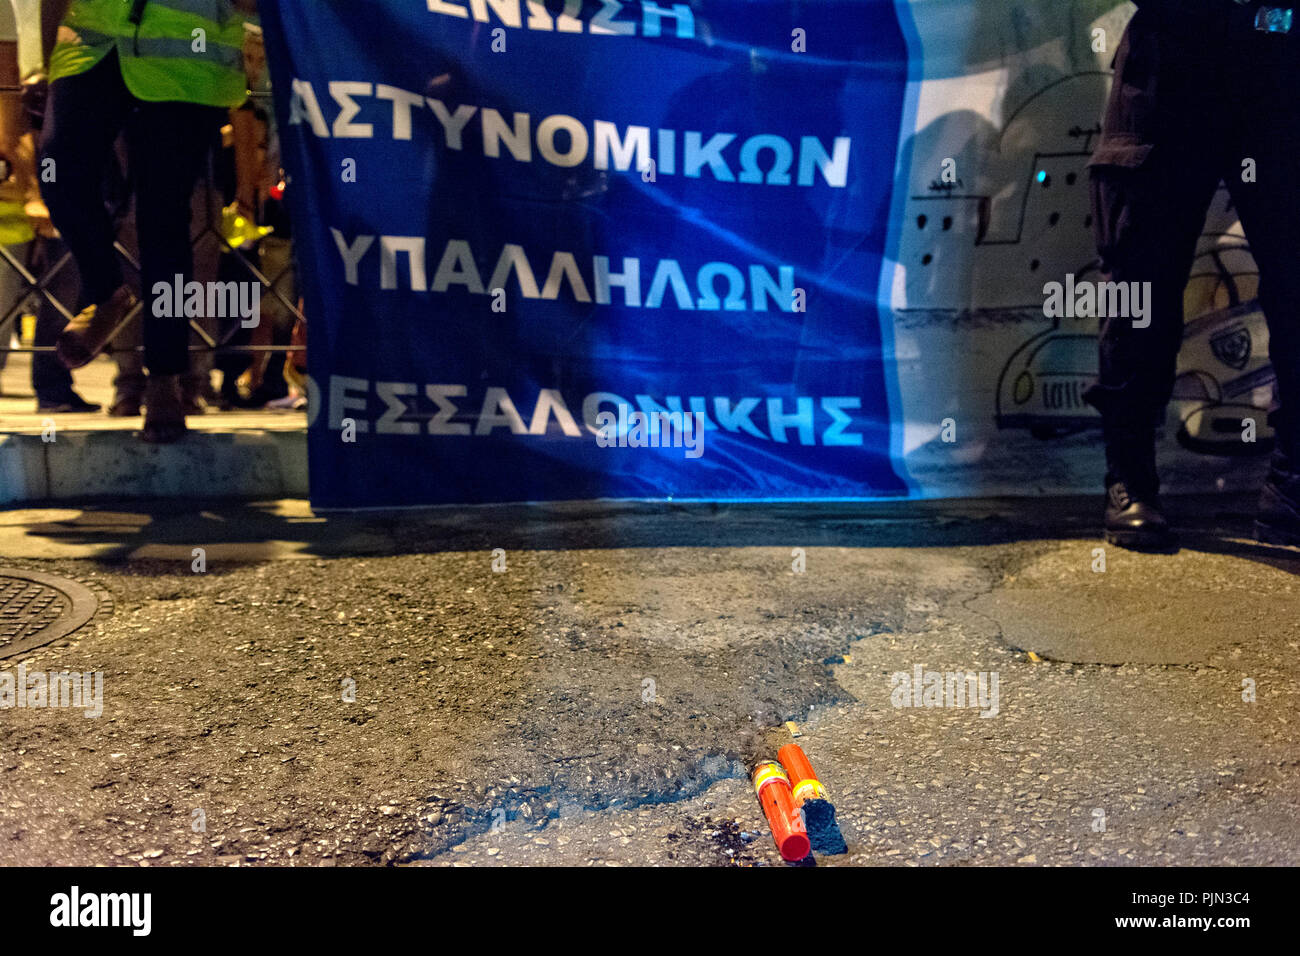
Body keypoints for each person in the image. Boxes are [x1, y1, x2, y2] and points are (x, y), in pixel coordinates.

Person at [1086, 0, 1300, 549]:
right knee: (1139, 282)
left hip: (1280, 53)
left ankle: (1291, 491)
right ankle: (1130, 482)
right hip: (1170, 57)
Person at [36, 0, 256, 441]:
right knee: (58, 170)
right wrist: (49, 65)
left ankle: (165, 379)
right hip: (93, 46)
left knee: (165, 216)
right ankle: (107, 294)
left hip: (185, 63)